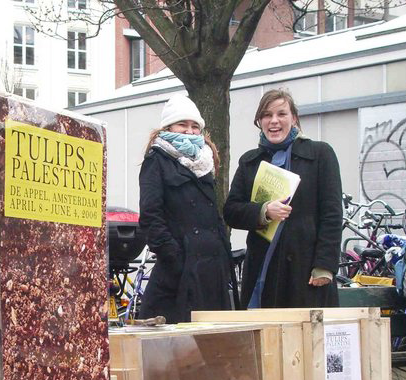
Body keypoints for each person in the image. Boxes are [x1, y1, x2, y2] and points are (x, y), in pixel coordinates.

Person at [224, 89, 342, 309]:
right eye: (267, 115)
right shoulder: (250, 161)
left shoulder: (320, 154)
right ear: (260, 121)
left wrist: (324, 266)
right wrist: (264, 211)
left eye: (281, 114)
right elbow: (231, 211)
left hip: (306, 271)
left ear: (294, 118)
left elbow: (332, 215)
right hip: (263, 270)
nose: (274, 121)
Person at [137, 94, 234, 324]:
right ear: (168, 127)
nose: (189, 131)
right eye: (182, 124)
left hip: (211, 270)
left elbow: (213, 214)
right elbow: (151, 216)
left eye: (194, 126)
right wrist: (174, 257)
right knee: (173, 348)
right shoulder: (157, 160)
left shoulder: (205, 162)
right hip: (180, 271)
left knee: (213, 346)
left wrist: (224, 252)